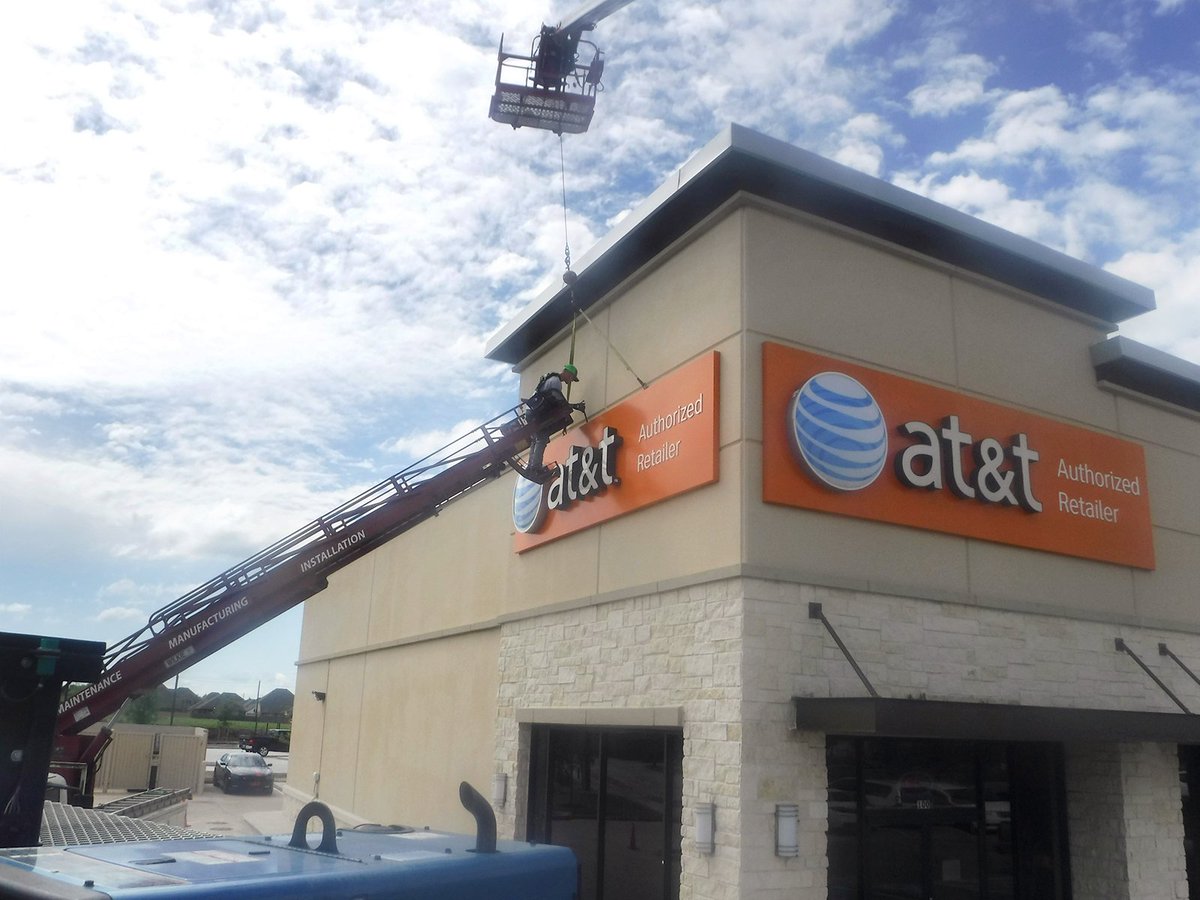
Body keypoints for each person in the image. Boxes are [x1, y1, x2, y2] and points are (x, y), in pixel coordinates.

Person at [525, 364, 585, 482]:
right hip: (536, 414)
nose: (570, 381)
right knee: (541, 439)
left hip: (532, 412)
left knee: (536, 439)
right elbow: (556, 401)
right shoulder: (556, 382)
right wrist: (573, 406)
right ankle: (535, 467)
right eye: (572, 378)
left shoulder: (551, 379)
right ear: (567, 373)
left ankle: (531, 466)